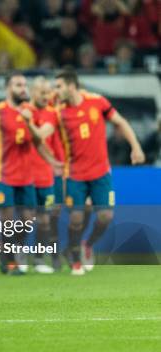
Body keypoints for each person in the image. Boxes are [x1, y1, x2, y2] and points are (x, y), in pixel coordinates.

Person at [0, 72, 60, 275]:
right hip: (4, 175)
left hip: (27, 177)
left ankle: (10, 252)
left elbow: (37, 142)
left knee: (26, 221)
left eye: (24, 85)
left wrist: (51, 161)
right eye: (18, 85)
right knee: (6, 221)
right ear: (8, 88)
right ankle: (10, 260)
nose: (23, 88)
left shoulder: (28, 112)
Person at [52, 69, 145, 275]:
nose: (55, 91)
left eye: (58, 86)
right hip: (74, 173)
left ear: (71, 85)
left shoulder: (97, 102)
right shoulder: (59, 112)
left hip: (101, 172)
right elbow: (48, 135)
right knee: (76, 218)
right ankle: (74, 256)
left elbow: (120, 122)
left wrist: (136, 146)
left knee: (104, 216)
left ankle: (87, 245)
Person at [19, 76, 65, 273]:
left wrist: (59, 164)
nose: (46, 96)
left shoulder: (51, 114)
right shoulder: (22, 110)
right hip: (26, 176)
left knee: (45, 220)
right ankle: (17, 253)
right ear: (32, 92)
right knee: (26, 219)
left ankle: (38, 259)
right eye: (42, 92)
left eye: (48, 92)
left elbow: (44, 136)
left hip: (46, 177)